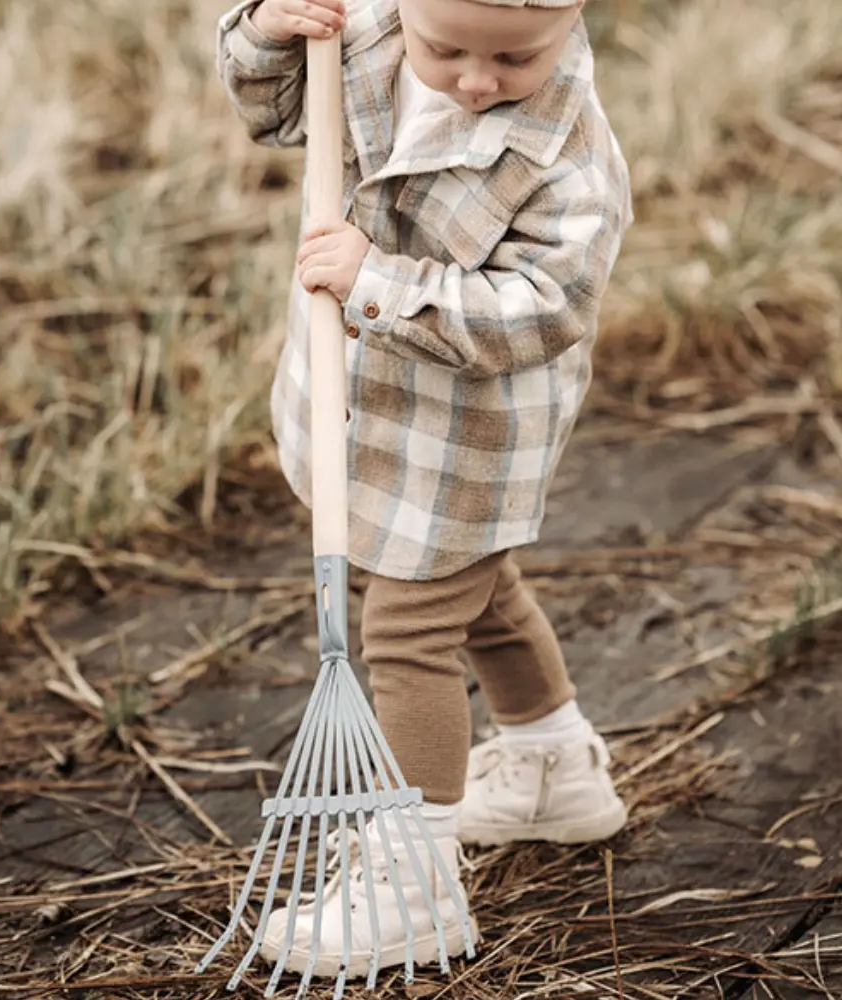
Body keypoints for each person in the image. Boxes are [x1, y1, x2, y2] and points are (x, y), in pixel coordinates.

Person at [216, 0, 633, 977]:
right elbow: (269, 112)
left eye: (514, 57)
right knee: (482, 592)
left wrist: (377, 280)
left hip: (463, 441)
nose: (478, 78)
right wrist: (269, 34)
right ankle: (552, 768)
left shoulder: (568, 155)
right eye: (446, 49)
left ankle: (412, 881)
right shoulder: (360, 35)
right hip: (355, 407)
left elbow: (541, 311)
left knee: (407, 628)